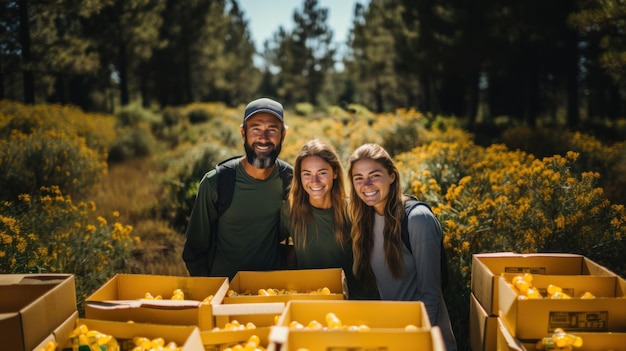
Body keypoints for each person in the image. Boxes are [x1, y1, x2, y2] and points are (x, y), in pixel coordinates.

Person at [347, 143, 457, 350]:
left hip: (425, 340)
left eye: (375, 175)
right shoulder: (365, 220)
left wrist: (413, 341)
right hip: (396, 336)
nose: (367, 184)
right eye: (358, 178)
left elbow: (430, 295)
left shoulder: (417, 220)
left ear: (392, 176)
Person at [182, 97, 293, 280]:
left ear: (283, 134)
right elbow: (194, 249)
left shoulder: (290, 180)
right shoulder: (216, 182)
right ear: (243, 133)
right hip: (225, 291)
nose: (263, 138)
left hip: (273, 290)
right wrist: (210, 290)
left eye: (272, 129)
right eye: (255, 128)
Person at [279, 139, 379, 300]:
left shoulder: (354, 211)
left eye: (322, 172)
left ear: (335, 173)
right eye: (307, 174)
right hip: (312, 302)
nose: (314, 181)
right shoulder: (290, 212)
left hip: (356, 302)